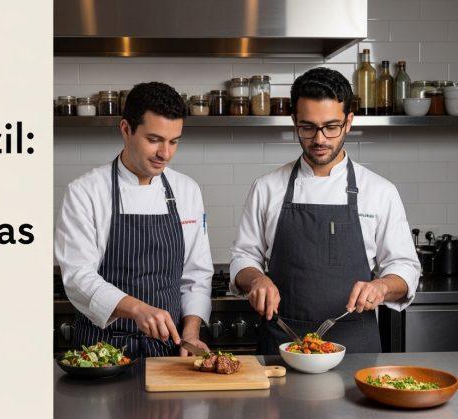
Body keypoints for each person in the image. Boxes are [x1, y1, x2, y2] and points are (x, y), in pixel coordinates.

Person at [230, 67, 421, 354]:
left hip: (355, 346)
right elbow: (243, 257)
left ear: (348, 122)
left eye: (331, 127)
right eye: (308, 127)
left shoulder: (380, 191)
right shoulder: (267, 188)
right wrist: (257, 279)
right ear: (294, 122)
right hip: (282, 343)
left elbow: (405, 267)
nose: (320, 139)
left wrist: (381, 287)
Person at [55, 82, 213, 357]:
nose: (165, 153)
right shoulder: (85, 191)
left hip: (168, 350)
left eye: (173, 141)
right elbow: (78, 277)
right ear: (126, 129)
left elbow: (196, 274)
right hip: (101, 352)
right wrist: (137, 309)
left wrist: (190, 332)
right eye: (154, 140)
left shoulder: (187, 190)